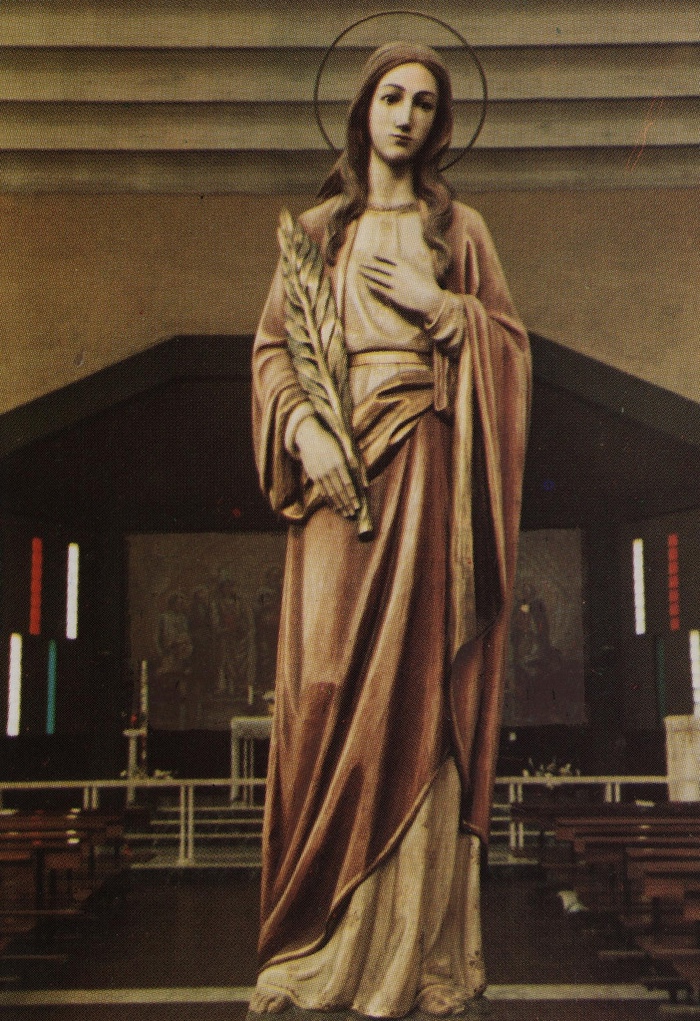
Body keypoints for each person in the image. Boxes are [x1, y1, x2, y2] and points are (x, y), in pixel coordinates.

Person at [251, 41, 531, 1018]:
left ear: (440, 123)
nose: (405, 115)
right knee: (327, 686)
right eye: (391, 97)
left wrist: (443, 309)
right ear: (362, 108)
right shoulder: (317, 233)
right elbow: (274, 350)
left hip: (426, 475)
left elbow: (508, 350)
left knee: (417, 686)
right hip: (334, 479)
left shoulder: (462, 231)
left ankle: (414, 954)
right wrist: (303, 428)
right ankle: (315, 947)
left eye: (423, 102)